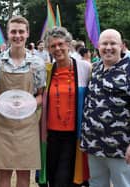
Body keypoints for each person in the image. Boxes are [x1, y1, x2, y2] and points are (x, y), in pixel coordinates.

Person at [80, 29, 130, 187]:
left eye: (113, 43)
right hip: (94, 146)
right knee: (96, 184)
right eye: (104, 43)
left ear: (122, 46)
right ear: (98, 47)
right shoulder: (96, 70)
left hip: (120, 148)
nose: (108, 47)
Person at [0, 15, 46, 187]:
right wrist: (1, 105)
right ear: (8, 34)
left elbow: (41, 95)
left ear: (27, 34)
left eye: (21, 31)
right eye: (13, 32)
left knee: (24, 173)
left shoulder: (37, 64)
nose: (17, 35)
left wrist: (31, 104)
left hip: (27, 125)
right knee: (3, 172)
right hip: (3, 124)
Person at [38, 26, 91, 187]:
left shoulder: (85, 68)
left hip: (73, 136)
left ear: (68, 44)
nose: (57, 49)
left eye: (60, 44)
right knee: (52, 179)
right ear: (48, 49)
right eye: (53, 46)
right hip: (50, 136)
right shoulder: (46, 71)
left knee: (66, 179)